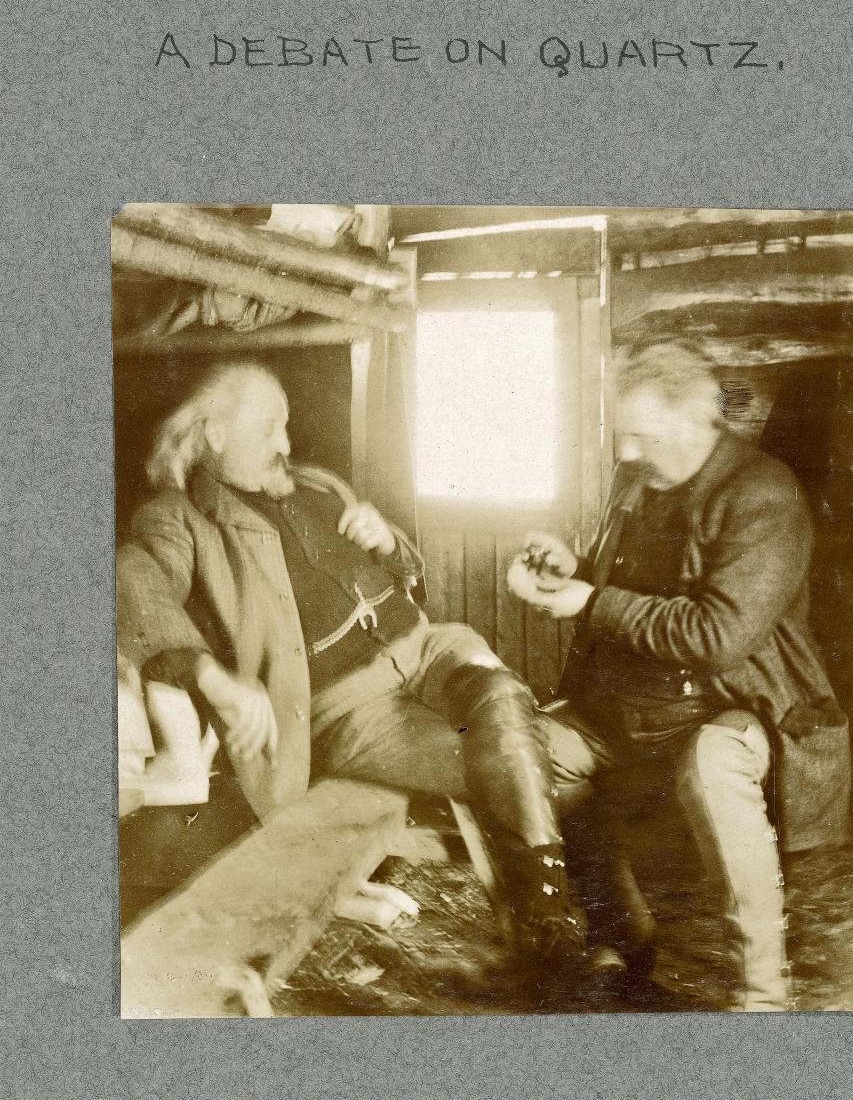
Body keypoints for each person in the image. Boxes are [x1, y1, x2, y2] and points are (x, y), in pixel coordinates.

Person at [116, 361, 586, 985]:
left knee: (499, 693)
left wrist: (387, 541)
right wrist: (210, 675)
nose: (286, 445)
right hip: (352, 708)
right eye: (269, 431)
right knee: (530, 761)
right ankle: (550, 924)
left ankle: (544, 912)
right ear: (216, 435)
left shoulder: (316, 485)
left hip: (430, 646)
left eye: (287, 427)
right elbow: (133, 582)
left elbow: (409, 570)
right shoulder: (180, 519)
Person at [507, 341, 852, 1010]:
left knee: (713, 762)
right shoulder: (638, 479)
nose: (628, 452)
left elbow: (718, 636)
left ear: (697, 421)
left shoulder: (762, 494)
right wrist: (573, 568)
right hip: (625, 708)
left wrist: (593, 601)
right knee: (527, 753)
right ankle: (620, 935)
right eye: (623, 434)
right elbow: (632, 583)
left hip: (732, 707)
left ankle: (763, 992)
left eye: (643, 435)